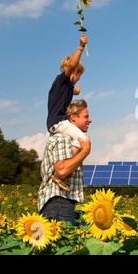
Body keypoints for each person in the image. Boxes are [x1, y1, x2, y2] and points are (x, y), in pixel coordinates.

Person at [38, 99, 92, 226]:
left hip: (70, 203)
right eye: (86, 117)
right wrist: (85, 152)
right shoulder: (62, 138)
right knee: (63, 244)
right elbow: (61, 171)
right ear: (73, 118)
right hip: (59, 203)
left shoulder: (72, 142)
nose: (89, 120)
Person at [47, 34, 88, 192]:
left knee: (77, 140)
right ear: (75, 71)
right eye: (79, 75)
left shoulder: (66, 87)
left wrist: (75, 92)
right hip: (58, 122)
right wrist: (81, 47)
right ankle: (61, 172)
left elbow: (70, 91)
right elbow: (71, 66)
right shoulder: (62, 80)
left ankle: (62, 168)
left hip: (55, 123)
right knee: (82, 140)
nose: (78, 79)